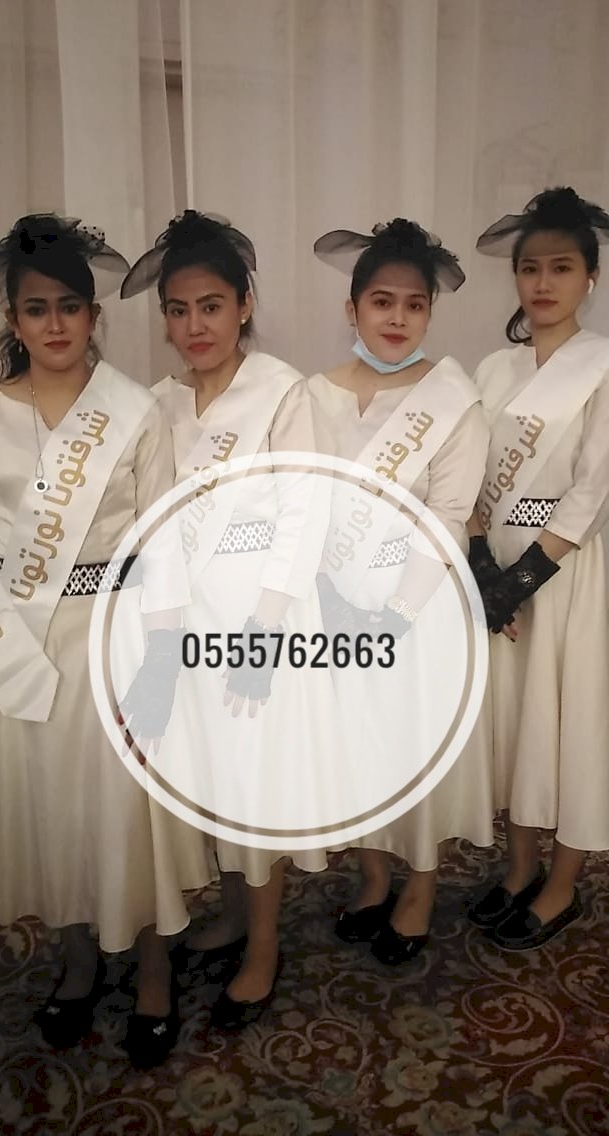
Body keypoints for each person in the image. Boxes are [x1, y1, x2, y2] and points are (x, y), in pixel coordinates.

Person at [0, 214, 212, 1068]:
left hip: (115, 636)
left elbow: (164, 544)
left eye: (71, 306)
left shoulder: (132, 410)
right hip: (16, 644)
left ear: (94, 315)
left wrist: (162, 662)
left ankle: (153, 965)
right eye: (37, 309)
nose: (56, 324)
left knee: (121, 815)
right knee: (52, 812)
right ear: (13, 320)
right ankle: (77, 957)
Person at [121, 210, 334, 1028]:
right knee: (212, 781)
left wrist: (267, 631)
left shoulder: (282, 390)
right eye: (178, 310)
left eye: (211, 306)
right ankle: (237, 915)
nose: (194, 326)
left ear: (244, 304)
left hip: (259, 613)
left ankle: (265, 946)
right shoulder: (157, 404)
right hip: (186, 618)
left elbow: (304, 515)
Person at [309, 217, 492, 964]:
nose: (397, 318)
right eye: (381, 301)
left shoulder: (453, 399)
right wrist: (328, 600)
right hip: (333, 602)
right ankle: (374, 874)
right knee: (357, 749)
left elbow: (449, 516)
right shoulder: (312, 394)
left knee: (412, 751)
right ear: (351, 308)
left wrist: (395, 614)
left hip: (416, 607)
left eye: (414, 305)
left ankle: (419, 886)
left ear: (429, 313)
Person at [466, 185, 609, 949]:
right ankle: (520, 868)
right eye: (530, 268)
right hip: (500, 571)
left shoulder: (603, 364)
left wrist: (525, 577)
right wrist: (484, 566)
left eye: (561, 267)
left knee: (571, 720)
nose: (543, 282)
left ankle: (562, 886)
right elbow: (467, 473)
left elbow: (593, 486)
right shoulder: (493, 370)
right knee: (516, 723)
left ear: (591, 277)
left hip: (566, 570)